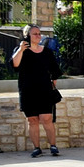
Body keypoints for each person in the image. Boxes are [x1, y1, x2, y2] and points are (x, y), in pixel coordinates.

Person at [12, 24, 62, 157]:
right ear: (27, 35)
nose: (38, 36)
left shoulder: (46, 52)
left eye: (39, 33)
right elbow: (15, 64)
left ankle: (53, 146)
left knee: (47, 118)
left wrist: (52, 83)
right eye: (35, 34)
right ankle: (37, 148)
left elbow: (55, 70)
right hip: (27, 90)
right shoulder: (21, 50)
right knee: (32, 120)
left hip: (44, 90)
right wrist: (21, 50)